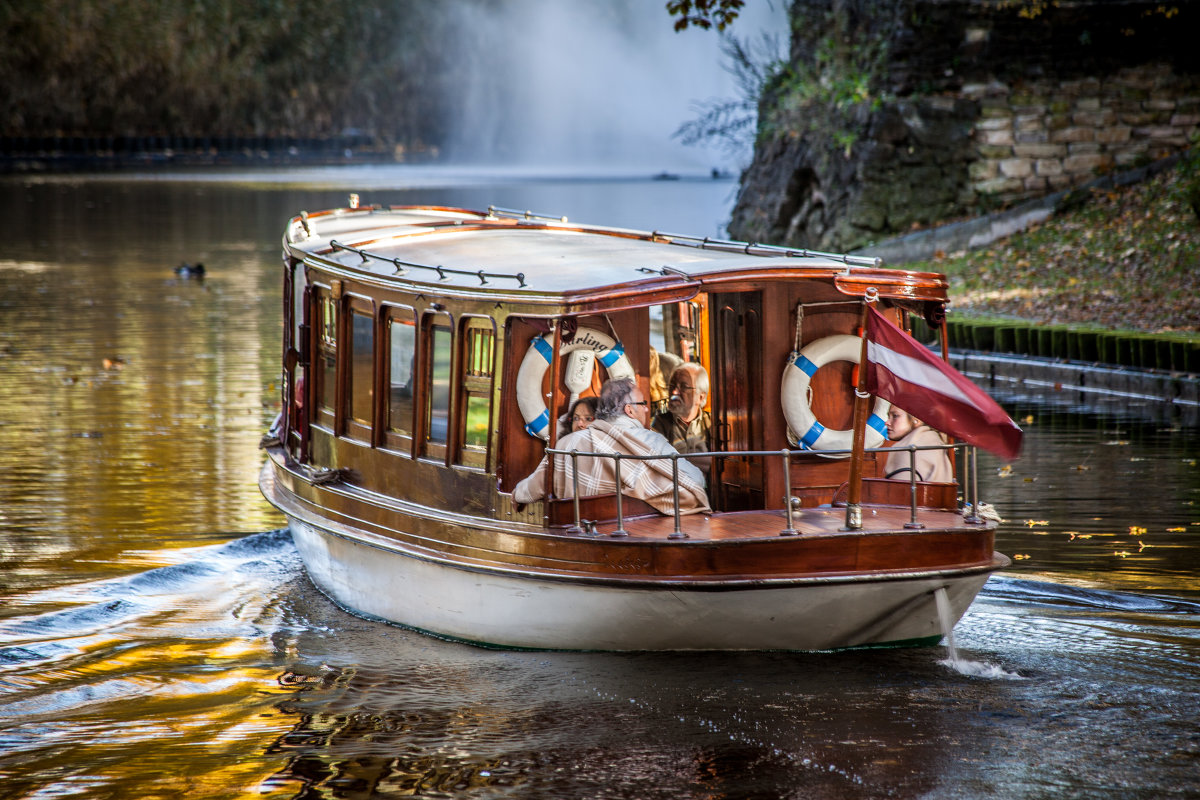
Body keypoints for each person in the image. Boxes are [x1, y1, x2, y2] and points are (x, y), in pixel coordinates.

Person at [514, 377, 709, 514]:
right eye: (643, 404)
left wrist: (516, 494)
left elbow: (532, 488)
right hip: (634, 538)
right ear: (629, 410)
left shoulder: (566, 444)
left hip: (577, 536)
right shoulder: (652, 442)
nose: (647, 409)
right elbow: (696, 482)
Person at [651, 362, 712, 470]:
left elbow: (722, 462)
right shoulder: (661, 423)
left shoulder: (712, 423)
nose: (674, 392)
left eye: (683, 387)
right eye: (672, 386)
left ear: (701, 397)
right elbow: (657, 463)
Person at [883, 406, 954, 483]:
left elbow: (900, 492)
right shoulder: (932, 440)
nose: (887, 422)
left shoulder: (911, 447)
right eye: (888, 416)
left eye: (895, 416)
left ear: (917, 419)